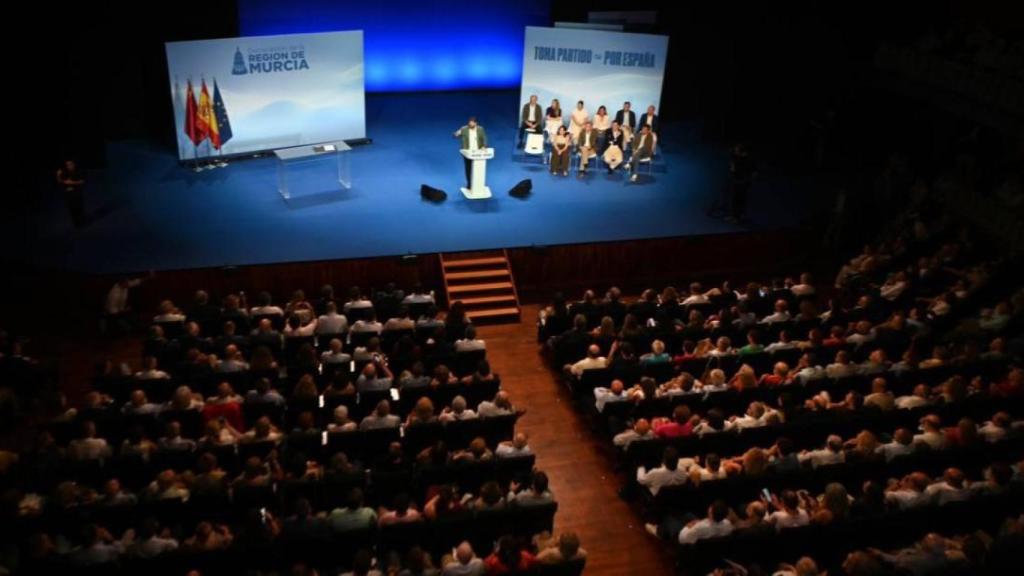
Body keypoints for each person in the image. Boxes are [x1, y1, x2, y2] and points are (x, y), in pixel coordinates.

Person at [453, 117, 487, 189]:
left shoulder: (480, 129)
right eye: (469, 124)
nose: (470, 125)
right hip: (467, 152)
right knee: (468, 168)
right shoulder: (464, 129)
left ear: (476, 123)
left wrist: (484, 146)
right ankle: (469, 184)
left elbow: (484, 138)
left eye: (472, 124)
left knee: (478, 168)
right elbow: (455, 135)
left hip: (478, 152)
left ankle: (478, 184)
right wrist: (456, 134)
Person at [728, 143, 756, 223]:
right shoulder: (740, 158)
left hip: (741, 182)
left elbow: (736, 171)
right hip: (741, 181)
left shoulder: (746, 160)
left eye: (736, 149)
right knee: (738, 199)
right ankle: (736, 216)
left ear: (742, 151)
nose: (735, 151)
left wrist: (733, 168)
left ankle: (736, 217)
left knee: (738, 199)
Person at [57, 158, 86, 227]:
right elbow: (60, 182)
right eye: (67, 165)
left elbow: (82, 181)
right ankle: (76, 224)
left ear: (74, 164)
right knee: (71, 209)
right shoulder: (65, 173)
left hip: (77, 193)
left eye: (71, 164)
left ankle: (82, 222)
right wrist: (58, 175)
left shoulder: (78, 171)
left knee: (79, 208)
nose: (69, 166)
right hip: (68, 195)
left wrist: (71, 182)